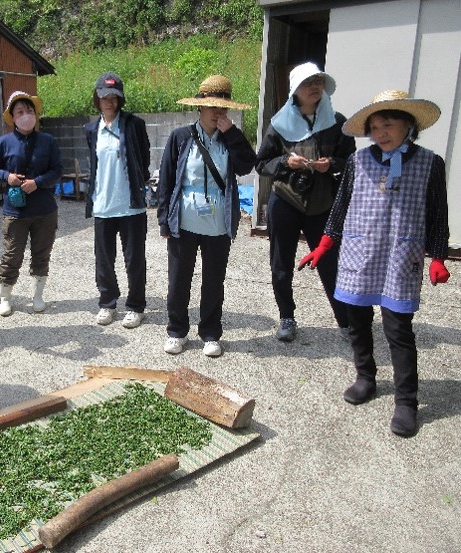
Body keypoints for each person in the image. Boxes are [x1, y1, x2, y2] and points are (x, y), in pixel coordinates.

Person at [299, 90, 450, 437]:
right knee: (358, 322)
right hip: (360, 254)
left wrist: (438, 256)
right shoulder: (358, 161)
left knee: (398, 331)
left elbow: (437, 214)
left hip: (400, 257)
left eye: (389, 124)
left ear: (408, 125)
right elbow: (340, 207)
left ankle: (406, 401)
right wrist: (324, 244)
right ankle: (365, 376)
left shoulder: (430, 163)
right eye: (375, 127)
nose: (381, 133)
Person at [157, 75, 256, 357]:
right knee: (179, 279)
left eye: (223, 107)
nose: (217, 112)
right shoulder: (181, 137)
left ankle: (211, 333)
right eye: (212, 106)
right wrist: (164, 220)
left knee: (214, 281)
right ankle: (176, 331)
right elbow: (166, 180)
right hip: (185, 218)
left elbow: (247, 165)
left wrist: (233, 134)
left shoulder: (229, 138)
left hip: (218, 220)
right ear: (199, 107)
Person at [255, 62, 355, 342]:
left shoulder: (337, 122)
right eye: (307, 83)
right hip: (285, 200)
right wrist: (286, 162)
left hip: (322, 202)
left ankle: (346, 321)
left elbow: (351, 161)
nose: (314, 87)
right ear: (294, 90)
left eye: (318, 81)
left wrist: (331, 164)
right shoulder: (279, 124)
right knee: (281, 264)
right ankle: (286, 317)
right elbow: (262, 164)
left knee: (330, 263)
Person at [84, 72, 150, 328]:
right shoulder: (92, 129)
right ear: (97, 99)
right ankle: (107, 303)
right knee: (103, 260)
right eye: (104, 97)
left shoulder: (134, 124)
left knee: (134, 260)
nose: (109, 102)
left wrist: (138, 184)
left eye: (114, 97)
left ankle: (135, 306)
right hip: (102, 205)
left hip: (131, 205)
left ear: (120, 99)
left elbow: (144, 158)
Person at [0, 91, 63, 316]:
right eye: (20, 111)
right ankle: (5, 298)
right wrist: (8, 177)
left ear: (36, 114)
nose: (26, 115)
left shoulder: (48, 141)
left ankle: (38, 296)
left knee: (42, 253)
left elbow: (58, 170)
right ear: (12, 117)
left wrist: (37, 182)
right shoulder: (3, 142)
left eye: (29, 110)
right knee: (11, 254)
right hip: (15, 211)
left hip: (44, 209)